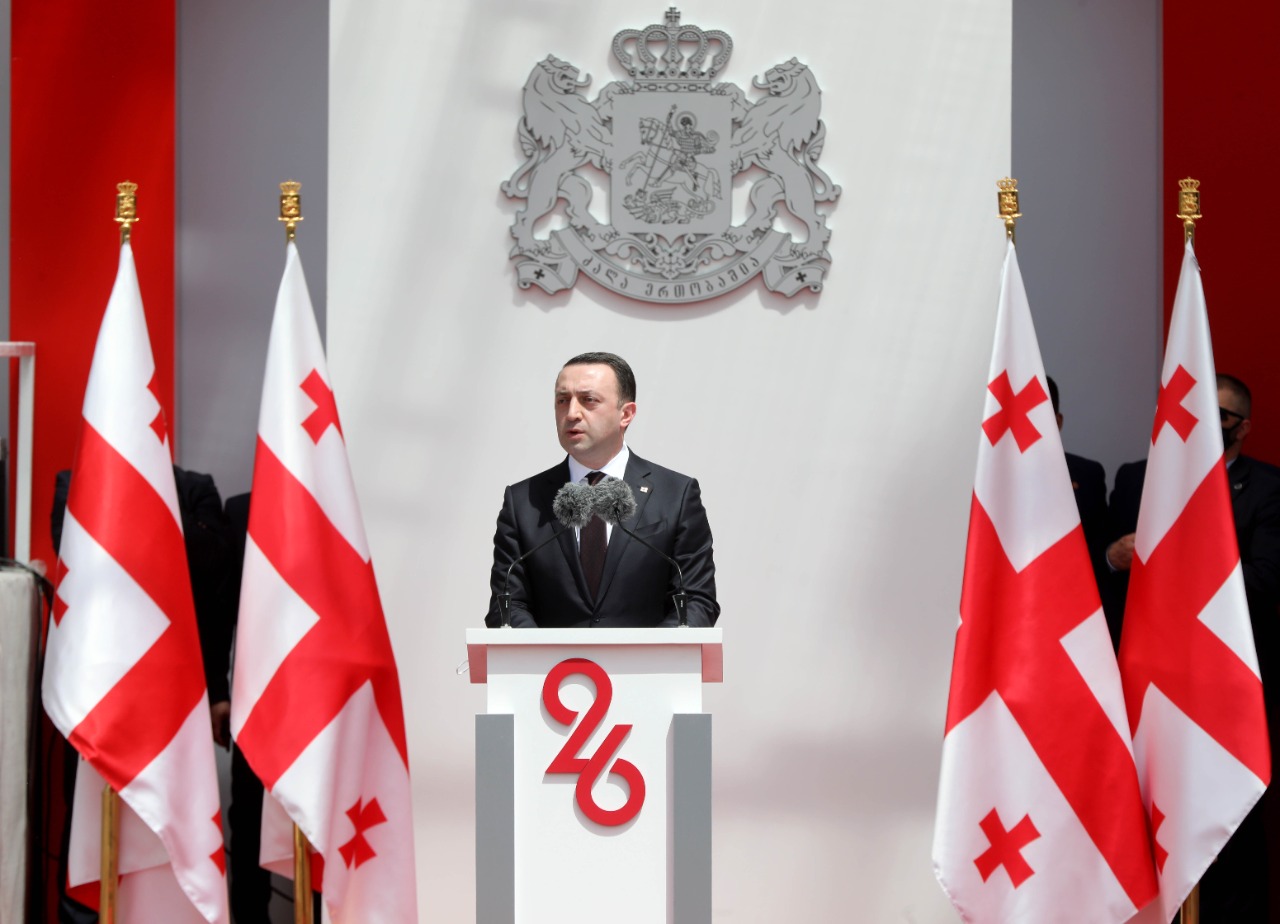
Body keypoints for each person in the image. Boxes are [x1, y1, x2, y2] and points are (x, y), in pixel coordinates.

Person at [1106, 373, 1280, 920]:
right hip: (1148, 682)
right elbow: (1098, 571)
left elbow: (1265, 579)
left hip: (1226, 682)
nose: (1206, 422)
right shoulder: (1136, 478)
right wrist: (1115, 556)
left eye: (1220, 414)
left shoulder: (1268, 487)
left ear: (1243, 428)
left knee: (1230, 820)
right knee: (1144, 811)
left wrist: (1178, 563)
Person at [485, 351, 718, 628]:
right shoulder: (523, 501)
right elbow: (507, 605)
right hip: (552, 658)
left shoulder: (676, 495)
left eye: (589, 400)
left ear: (626, 414)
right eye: (562, 400)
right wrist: (547, 652)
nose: (572, 413)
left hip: (647, 656)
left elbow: (695, 600)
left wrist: (649, 652)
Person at [1046, 376, 1110, 625]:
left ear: (1058, 421)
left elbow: (1099, 547)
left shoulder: (1087, 475)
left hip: (1070, 613)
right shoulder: (982, 478)